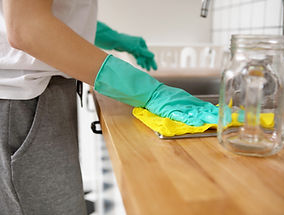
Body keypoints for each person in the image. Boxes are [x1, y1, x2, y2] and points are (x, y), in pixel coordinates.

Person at [0, 0, 219, 214]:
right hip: (20, 103)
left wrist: (115, 38)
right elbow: (26, 27)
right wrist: (149, 91)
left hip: (35, 96)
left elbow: (56, 11)